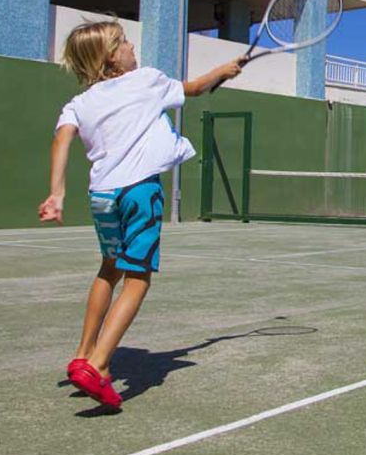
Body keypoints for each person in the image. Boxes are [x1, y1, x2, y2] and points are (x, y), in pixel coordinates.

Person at [39, 20, 243, 408]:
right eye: (125, 42)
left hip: (102, 196)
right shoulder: (146, 80)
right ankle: (97, 365)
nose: (133, 47)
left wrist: (56, 193)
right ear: (111, 56)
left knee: (108, 268)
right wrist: (223, 71)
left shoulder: (78, 104)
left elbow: (61, 139)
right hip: (139, 192)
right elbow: (195, 89)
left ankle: (83, 353)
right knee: (138, 278)